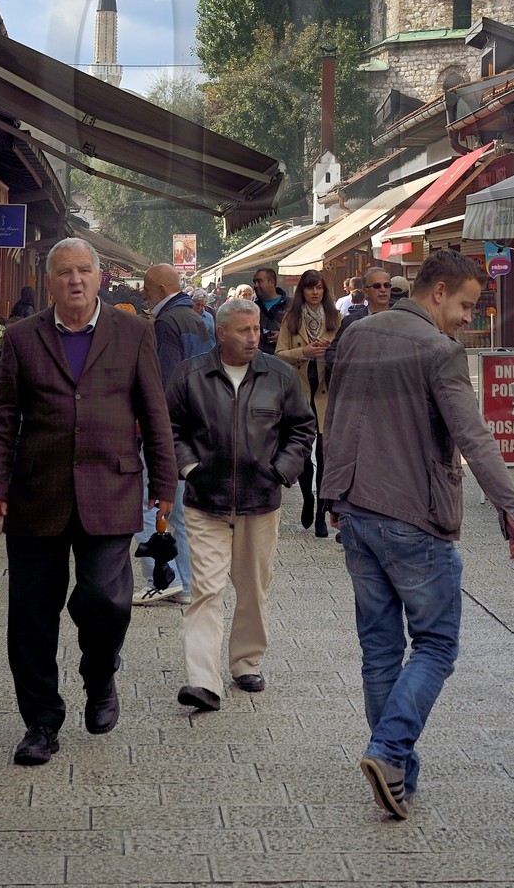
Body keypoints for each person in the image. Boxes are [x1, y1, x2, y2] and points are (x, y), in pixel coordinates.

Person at [323, 250, 514, 817]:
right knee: (436, 645)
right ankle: (390, 753)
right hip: (414, 517)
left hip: (358, 512)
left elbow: (335, 415)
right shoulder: (440, 351)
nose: (469, 318)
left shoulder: (358, 335)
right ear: (437, 291)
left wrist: (332, 494)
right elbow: (475, 438)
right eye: (466, 304)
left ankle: (398, 773)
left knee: (380, 649)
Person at [0, 237, 176, 767]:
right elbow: (1, 417)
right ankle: (41, 723)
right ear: (50, 281)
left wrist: (165, 485)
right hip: (36, 495)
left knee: (106, 601)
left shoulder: (134, 332)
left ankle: (100, 673)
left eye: (84, 271)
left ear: (99, 278)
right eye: (64, 272)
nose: (75, 280)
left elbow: (154, 413)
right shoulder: (22, 338)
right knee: (31, 618)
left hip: (110, 490)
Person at [166, 298, 315, 713]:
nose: (255, 337)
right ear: (221, 333)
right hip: (205, 500)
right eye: (244, 331)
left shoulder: (279, 375)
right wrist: (190, 468)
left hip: (260, 500)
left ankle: (246, 662)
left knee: (252, 589)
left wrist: (281, 470)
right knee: (206, 590)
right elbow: (168, 426)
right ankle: (202, 680)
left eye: (256, 330)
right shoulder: (190, 375)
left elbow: (302, 428)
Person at [133, 264, 214, 608]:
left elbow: (163, 383)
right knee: (181, 510)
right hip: (197, 423)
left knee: (150, 501)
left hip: (171, 428)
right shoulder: (198, 317)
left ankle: (161, 579)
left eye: (148, 292)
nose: (145, 297)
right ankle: (185, 585)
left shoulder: (166, 323)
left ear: (163, 288)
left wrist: (152, 429)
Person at [275, 270, 340, 537]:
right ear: (301, 291)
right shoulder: (291, 319)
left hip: (327, 392)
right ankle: (307, 498)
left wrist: (330, 351)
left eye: (319, 288)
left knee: (325, 455)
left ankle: (322, 512)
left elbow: (345, 351)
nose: (315, 293)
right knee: (302, 454)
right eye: (310, 288)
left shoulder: (336, 318)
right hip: (300, 393)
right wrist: (304, 351)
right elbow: (278, 355)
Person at [325, 264, 393, 377]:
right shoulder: (351, 321)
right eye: (377, 286)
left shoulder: (400, 318)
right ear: (365, 292)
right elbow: (332, 354)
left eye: (386, 285)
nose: (382, 290)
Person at [252, 266, 288, 356]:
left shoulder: (292, 305)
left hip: (284, 360)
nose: (256, 285)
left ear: (272, 282)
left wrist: (283, 335)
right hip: (259, 360)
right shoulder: (252, 308)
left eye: (260, 281)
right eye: (254, 282)